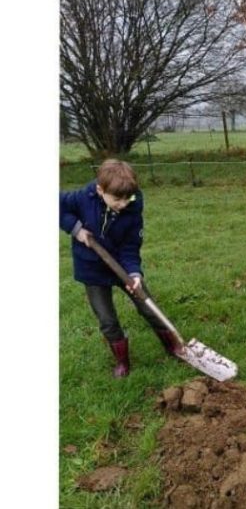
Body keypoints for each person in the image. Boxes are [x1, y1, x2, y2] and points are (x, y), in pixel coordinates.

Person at [59, 159, 178, 377]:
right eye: (117, 199)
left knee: (147, 305)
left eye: (127, 198)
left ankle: (174, 346)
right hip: (92, 269)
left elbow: (131, 246)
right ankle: (122, 361)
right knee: (106, 319)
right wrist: (75, 229)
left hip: (122, 266)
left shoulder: (132, 210)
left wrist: (134, 274)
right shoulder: (83, 197)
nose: (123, 203)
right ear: (100, 190)